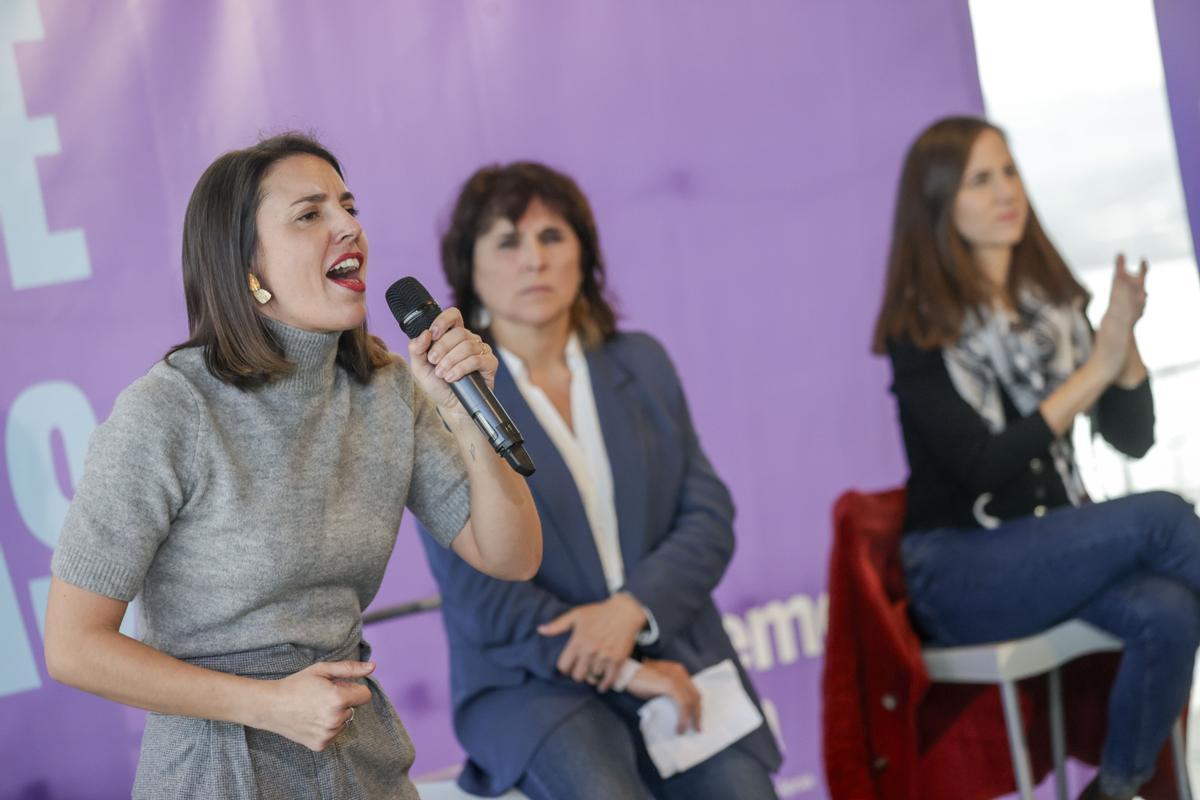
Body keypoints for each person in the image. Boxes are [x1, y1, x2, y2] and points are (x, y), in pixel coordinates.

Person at [42, 133, 542, 800]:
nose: (349, 227)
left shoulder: (389, 388)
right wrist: (268, 704)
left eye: (348, 205)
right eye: (310, 215)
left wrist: (459, 412)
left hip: (361, 760)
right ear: (246, 268)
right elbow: (73, 646)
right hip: (220, 770)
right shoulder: (168, 411)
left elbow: (511, 555)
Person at [417, 161, 782, 799]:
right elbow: (479, 592)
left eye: (552, 237)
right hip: (534, 681)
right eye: (507, 241)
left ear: (583, 253)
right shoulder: (448, 396)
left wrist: (630, 614)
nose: (534, 259)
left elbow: (707, 517)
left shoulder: (641, 364)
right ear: (468, 269)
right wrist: (617, 663)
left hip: (670, 644)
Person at [872, 116, 1200, 800]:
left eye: (1010, 172)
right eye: (981, 180)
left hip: (1053, 548)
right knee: (1166, 518)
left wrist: (1121, 341)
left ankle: (1113, 792)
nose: (1005, 192)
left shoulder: (1051, 306)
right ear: (938, 203)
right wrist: (1094, 369)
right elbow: (984, 465)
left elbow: (1131, 437)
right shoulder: (919, 331)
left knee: (1168, 610)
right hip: (962, 570)